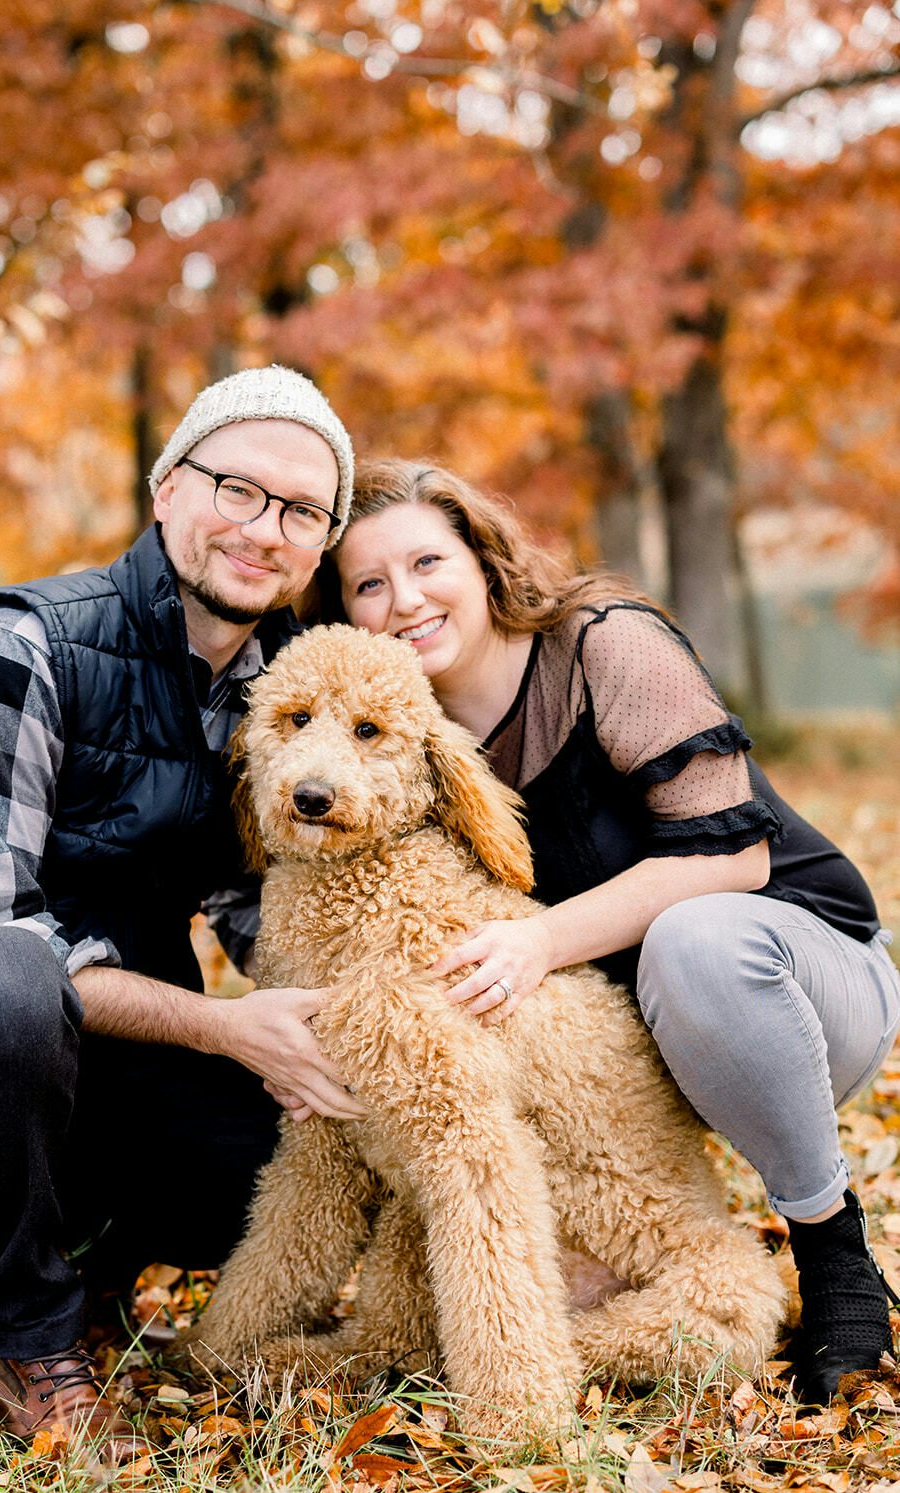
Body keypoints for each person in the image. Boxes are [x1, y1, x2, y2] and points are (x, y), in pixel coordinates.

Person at [0, 365, 363, 1454]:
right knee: (12, 978)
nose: (265, 529)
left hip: (116, 1088)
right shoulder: (9, 649)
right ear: (166, 488)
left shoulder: (274, 700)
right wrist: (222, 1026)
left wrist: (383, 1003)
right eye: (238, 489)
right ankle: (21, 1333)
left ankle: (97, 1262)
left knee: (352, 1111)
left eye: (303, 511)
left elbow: (262, 914)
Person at [328, 458, 900, 1404]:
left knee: (695, 941)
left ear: (481, 559)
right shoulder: (390, 730)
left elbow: (733, 861)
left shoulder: (603, 646)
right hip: (631, 1037)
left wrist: (539, 943)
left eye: (427, 562)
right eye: (369, 585)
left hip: (796, 978)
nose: (404, 600)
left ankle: (834, 1258)